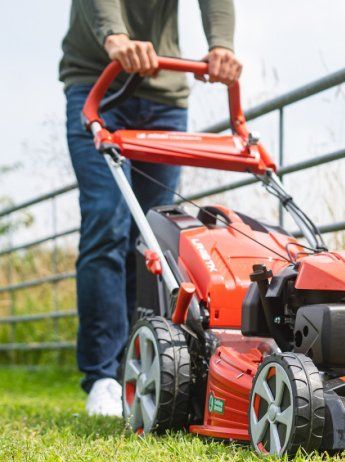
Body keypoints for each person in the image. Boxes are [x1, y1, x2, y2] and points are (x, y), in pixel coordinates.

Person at [59, 1, 242, 416]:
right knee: (107, 222)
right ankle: (103, 376)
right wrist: (114, 38)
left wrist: (221, 45)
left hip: (164, 95)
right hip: (98, 83)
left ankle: (140, 363)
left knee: (151, 242)